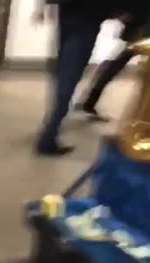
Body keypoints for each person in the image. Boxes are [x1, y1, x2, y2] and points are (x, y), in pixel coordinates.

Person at [34, 0, 119, 156]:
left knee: (64, 74)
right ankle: (48, 137)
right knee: (68, 78)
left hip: (69, 12)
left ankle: (49, 131)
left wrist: (42, 7)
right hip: (86, 17)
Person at [75, 1, 150, 120]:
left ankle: (89, 101)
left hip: (143, 24)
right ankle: (89, 101)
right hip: (144, 25)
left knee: (116, 63)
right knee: (115, 64)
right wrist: (123, 12)